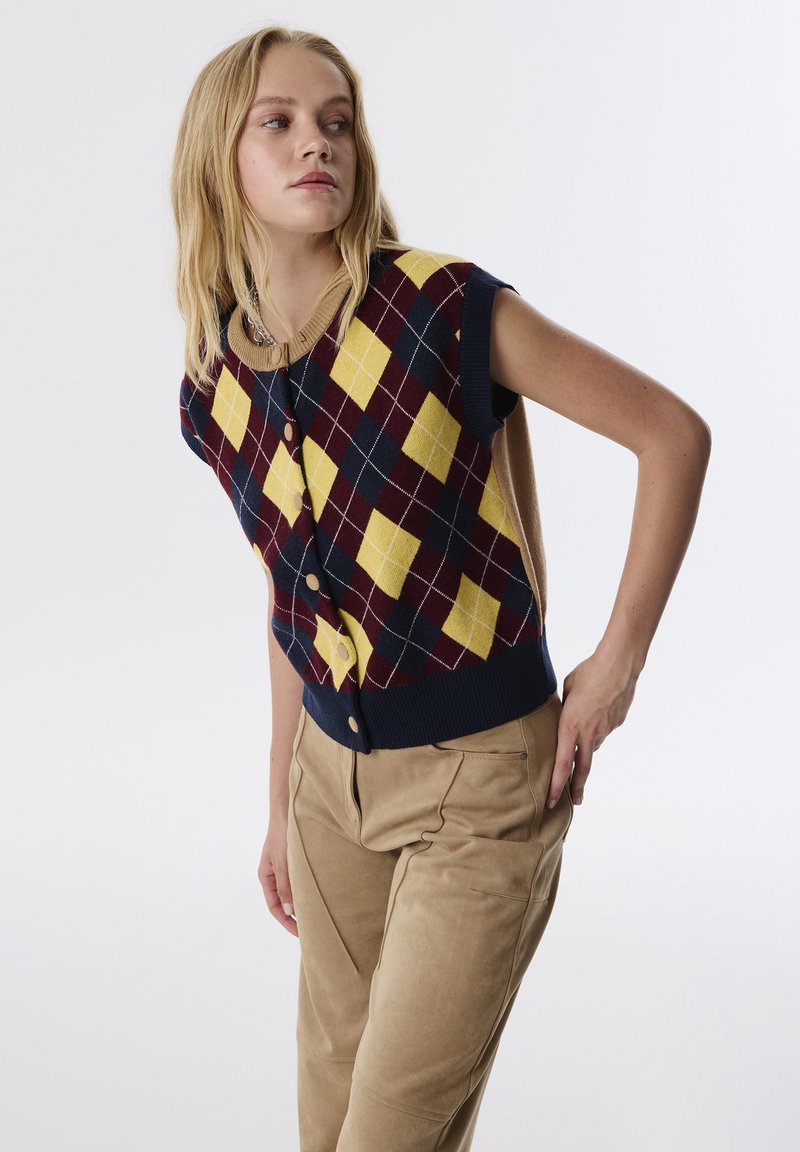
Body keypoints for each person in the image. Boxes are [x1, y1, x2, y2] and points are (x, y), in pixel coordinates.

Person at [172, 25, 711, 1152]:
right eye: (279, 122)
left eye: (336, 122)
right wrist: (278, 795)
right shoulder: (215, 383)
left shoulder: (443, 309)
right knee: (327, 1130)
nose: (317, 143)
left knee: (388, 1135)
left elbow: (670, 435)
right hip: (329, 793)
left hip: (481, 782)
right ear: (218, 158)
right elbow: (289, 594)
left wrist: (613, 668)